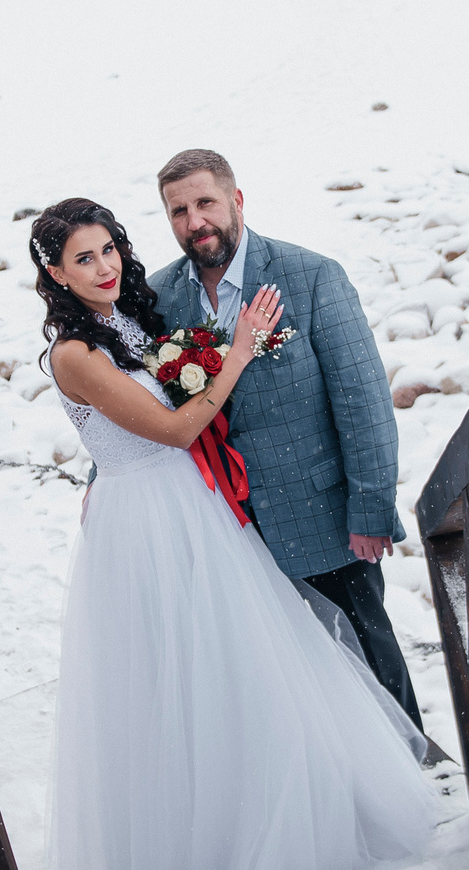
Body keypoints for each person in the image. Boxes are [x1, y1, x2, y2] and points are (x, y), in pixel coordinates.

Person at [35, 197, 436, 870]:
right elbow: (175, 425)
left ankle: (274, 818)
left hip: (196, 507)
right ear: (55, 273)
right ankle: (204, 857)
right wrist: (242, 348)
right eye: (82, 259)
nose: (103, 266)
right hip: (149, 526)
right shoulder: (73, 353)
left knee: (242, 669)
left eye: (108, 249)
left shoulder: (127, 319)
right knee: (181, 686)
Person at [149, 148, 424, 725]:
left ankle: (417, 780)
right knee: (272, 680)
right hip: (225, 528)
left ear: (236, 201)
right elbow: (144, 403)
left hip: (320, 515)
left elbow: (364, 401)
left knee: (367, 656)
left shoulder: (311, 276)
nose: (194, 222)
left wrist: (370, 507)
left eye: (205, 203)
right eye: (178, 211)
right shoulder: (161, 298)